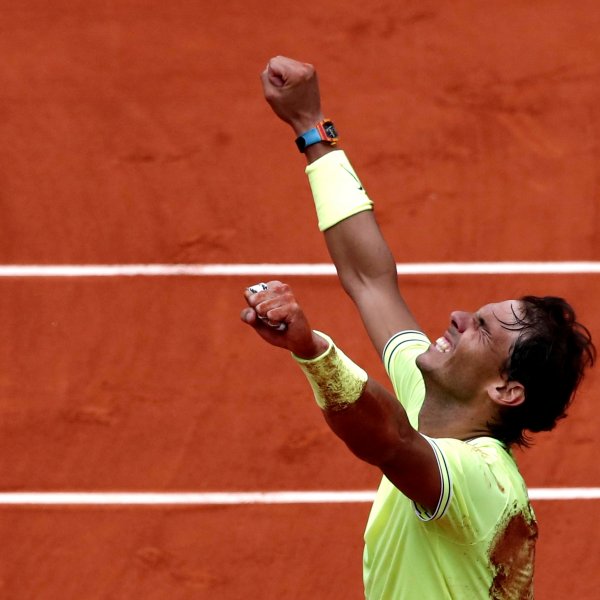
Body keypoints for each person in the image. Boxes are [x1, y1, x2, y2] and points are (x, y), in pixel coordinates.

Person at [240, 56, 596, 599]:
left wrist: (312, 350)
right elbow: (370, 280)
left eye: (481, 330)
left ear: (505, 390)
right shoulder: (433, 398)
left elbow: (391, 440)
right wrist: (311, 128)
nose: (456, 317)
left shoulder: (482, 480)